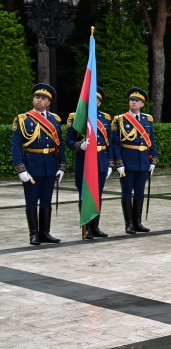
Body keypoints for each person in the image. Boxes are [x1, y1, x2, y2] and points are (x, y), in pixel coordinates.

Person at [12, 83, 66, 246]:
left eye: (43, 98)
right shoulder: (22, 119)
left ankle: (45, 232)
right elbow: (15, 146)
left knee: (46, 200)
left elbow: (59, 144)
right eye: (37, 97)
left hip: (50, 165)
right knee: (31, 200)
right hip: (31, 165)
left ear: (48, 102)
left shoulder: (54, 119)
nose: (39, 100)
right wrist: (21, 168)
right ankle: (34, 233)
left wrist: (62, 165)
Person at [66, 86, 113, 239]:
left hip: (100, 160)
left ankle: (95, 227)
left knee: (97, 195)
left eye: (96, 100)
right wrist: (80, 145)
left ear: (99, 103)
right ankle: (86, 227)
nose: (93, 102)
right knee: (84, 194)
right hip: (84, 160)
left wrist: (110, 163)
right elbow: (69, 140)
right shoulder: (76, 117)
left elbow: (109, 142)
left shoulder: (105, 118)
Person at [113, 87, 157, 234]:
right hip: (127, 162)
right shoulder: (120, 119)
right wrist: (119, 163)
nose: (133, 102)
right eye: (131, 100)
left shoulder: (147, 119)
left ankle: (138, 222)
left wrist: (153, 160)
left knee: (139, 193)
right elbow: (115, 143)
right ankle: (129, 224)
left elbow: (151, 141)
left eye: (137, 100)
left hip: (143, 161)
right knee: (126, 193)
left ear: (142, 104)